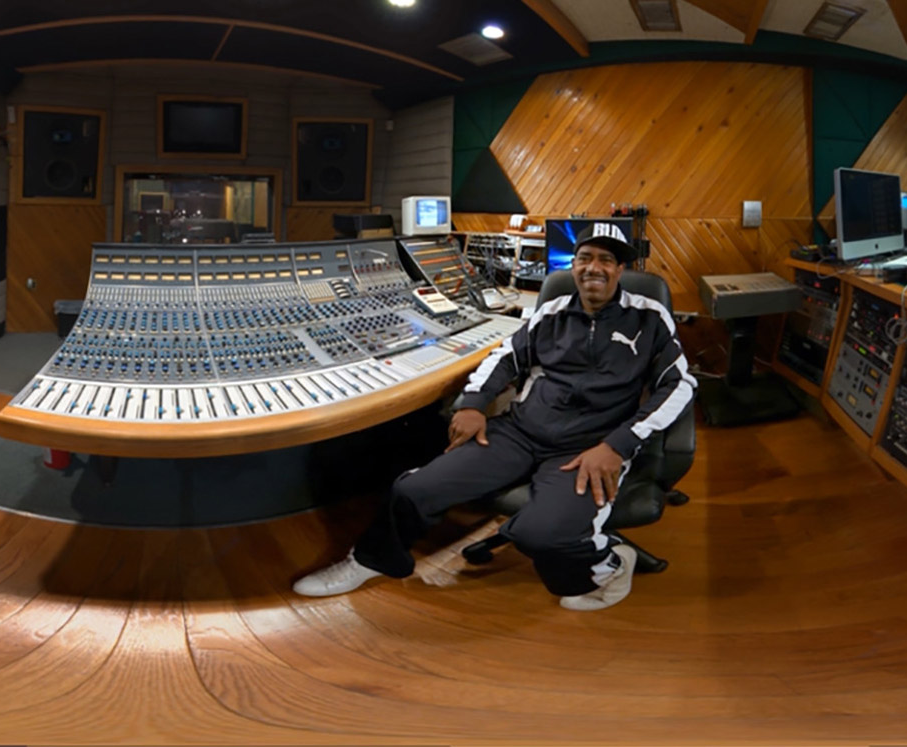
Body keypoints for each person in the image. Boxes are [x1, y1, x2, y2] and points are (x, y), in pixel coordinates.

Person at [294, 223, 696, 611]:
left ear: (621, 269)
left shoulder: (649, 317)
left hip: (589, 448)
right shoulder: (551, 312)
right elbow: (505, 357)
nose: (595, 268)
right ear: (573, 265)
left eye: (607, 260)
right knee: (414, 489)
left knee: (542, 535)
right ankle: (373, 559)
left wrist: (617, 445)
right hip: (519, 432)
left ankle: (609, 561)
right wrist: (472, 403)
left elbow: (678, 385)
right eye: (585, 258)